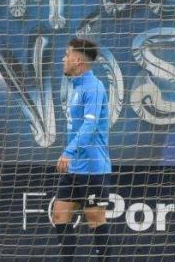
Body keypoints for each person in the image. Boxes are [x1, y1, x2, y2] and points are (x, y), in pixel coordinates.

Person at [53, 38, 112, 262]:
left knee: (95, 220)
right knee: (59, 215)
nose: (63, 59)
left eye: (67, 55)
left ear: (77, 60)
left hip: (93, 169)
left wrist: (68, 152)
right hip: (74, 170)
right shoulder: (75, 86)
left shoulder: (94, 87)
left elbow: (90, 125)